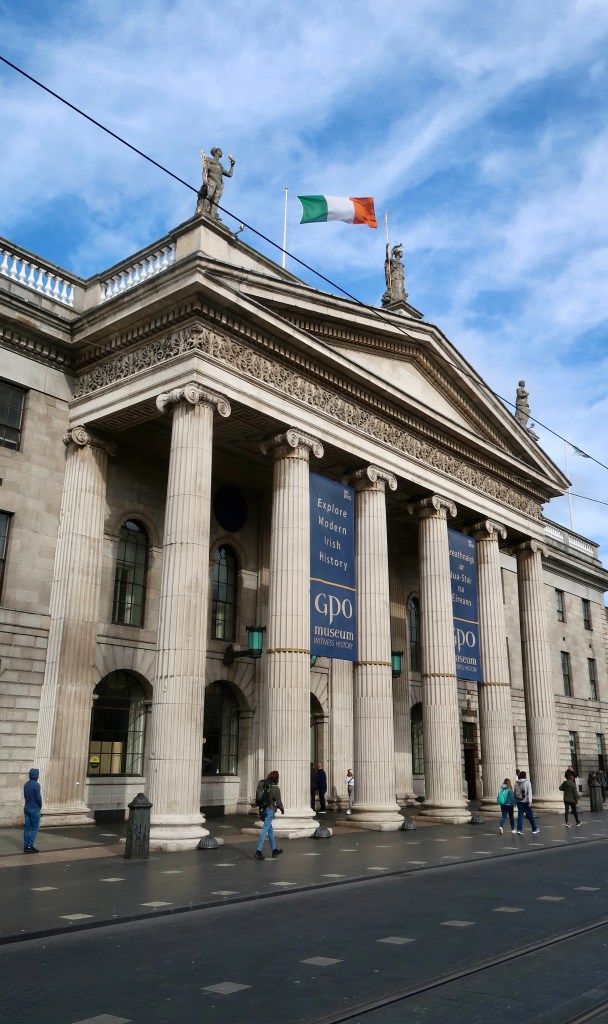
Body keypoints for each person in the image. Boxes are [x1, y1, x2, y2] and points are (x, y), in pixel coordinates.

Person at [195, 147, 235, 220]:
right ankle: (203, 212)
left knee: (216, 201)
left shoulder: (220, 166)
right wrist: (204, 180)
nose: (222, 152)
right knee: (209, 195)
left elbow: (230, 174)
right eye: (220, 151)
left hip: (219, 184)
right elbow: (205, 171)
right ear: (216, 152)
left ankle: (212, 217)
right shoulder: (209, 160)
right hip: (211, 180)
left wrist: (232, 166)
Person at [255, 770, 284, 861]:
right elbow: (278, 802)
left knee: (270, 830)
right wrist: (282, 809)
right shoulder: (275, 788)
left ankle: (274, 850)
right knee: (264, 830)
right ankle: (258, 851)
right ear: (276, 778)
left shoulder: (263, 784)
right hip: (269, 810)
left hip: (262, 809)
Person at [514, 770, 540, 835]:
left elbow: (515, 792)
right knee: (530, 816)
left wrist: (515, 801)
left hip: (519, 801)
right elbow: (529, 793)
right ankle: (534, 829)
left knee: (520, 816)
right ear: (525, 776)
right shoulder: (527, 782)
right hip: (526, 801)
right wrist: (530, 801)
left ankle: (519, 830)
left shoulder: (516, 782)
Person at [23, 767, 42, 853]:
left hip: (26, 808)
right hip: (34, 809)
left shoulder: (26, 785)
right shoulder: (36, 785)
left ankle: (26, 846)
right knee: (35, 828)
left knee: (27, 828)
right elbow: (38, 798)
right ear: (36, 775)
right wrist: (40, 806)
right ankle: (30, 846)